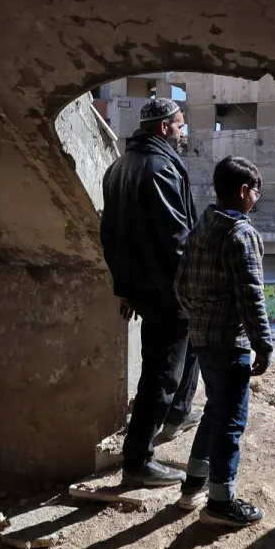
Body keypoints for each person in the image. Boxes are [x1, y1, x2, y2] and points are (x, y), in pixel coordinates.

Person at [100, 97, 203, 486]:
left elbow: (110, 236)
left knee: (190, 345)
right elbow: (176, 239)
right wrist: (196, 284)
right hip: (167, 289)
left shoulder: (118, 167)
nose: (183, 131)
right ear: (164, 127)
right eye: (179, 125)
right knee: (161, 373)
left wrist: (123, 287)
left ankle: (178, 413)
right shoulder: (160, 168)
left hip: (142, 286)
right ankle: (138, 460)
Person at [173, 155, 273, 527]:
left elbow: (180, 285)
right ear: (244, 190)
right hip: (230, 342)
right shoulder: (241, 233)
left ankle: (193, 484)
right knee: (230, 421)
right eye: (256, 193)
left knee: (214, 411)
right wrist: (263, 344)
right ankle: (221, 502)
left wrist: (200, 317)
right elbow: (252, 295)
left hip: (201, 337)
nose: (256, 200)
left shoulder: (202, 226)